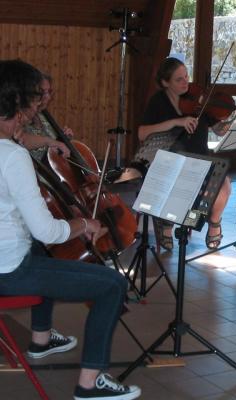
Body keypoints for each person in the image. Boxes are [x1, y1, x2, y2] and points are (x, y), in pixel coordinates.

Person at [0, 59, 141, 400]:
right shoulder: (13, 157)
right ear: (19, 104)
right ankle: (90, 385)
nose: (38, 107)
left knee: (46, 254)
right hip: (8, 271)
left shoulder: (12, 148)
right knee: (112, 284)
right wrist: (85, 224)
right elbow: (50, 232)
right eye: (34, 100)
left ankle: (41, 340)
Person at [137, 57, 236, 251]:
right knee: (178, 183)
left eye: (186, 77)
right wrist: (175, 122)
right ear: (165, 83)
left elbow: (220, 130)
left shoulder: (199, 101)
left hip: (201, 159)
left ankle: (214, 224)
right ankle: (169, 223)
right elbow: (142, 133)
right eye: (178, 79)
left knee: (224, 185)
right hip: (171, 160)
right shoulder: (158, 102)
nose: (185, 83)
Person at [13, 73, 73, 160]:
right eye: (43, 92)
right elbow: (20, 140)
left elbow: (53, 147)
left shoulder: (43, 116)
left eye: (49, 92)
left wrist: (63, 139)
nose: (48, 97)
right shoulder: (19, 116)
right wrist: (48, 141)